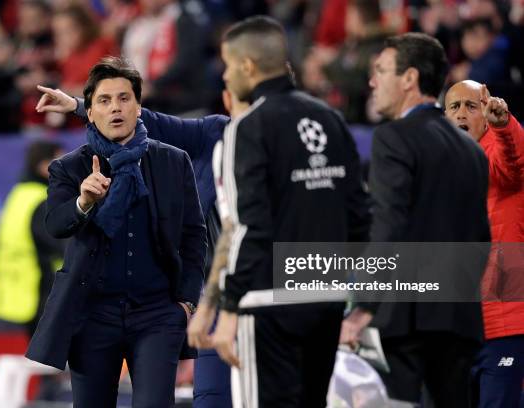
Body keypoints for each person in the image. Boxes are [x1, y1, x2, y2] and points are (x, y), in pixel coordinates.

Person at [33, 84, 245, 406]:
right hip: (219, 294)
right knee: (212, 400)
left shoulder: (301, 153)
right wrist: (78, 105)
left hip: (275, 292)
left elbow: (331, 221)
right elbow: (142, 119)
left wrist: (350, 308)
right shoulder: (217, 132)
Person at [201, 16, 370, 407]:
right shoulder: (330, 119)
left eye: (228, 65)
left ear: (247, 66)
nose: (226, 75)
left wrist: (227, 308)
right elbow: (359, 216)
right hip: (326, 296)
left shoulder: (248, 128)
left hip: (266, 302)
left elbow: (248, 225)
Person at [339, 33, 491, 407]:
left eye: (381, 70)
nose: (373, 81)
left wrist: (364, 307)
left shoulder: (392, 137)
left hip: (404, 322)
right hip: (459, 320)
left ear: (408, 78)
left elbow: (389, 225)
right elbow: (480, 239)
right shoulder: (471, 149)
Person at [444, 80, 524, 408]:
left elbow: (514, 163)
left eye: (471, 106)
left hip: (503, 324)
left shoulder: (497, 154)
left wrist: (503, 126)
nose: (462, 113)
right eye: (455, 107)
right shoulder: (439, 165)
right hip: (454, 326)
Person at [0, 140, 65, 338]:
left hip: (22, 289)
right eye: (61, 162)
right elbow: (60, 244)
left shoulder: (19, 195)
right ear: (44, 166)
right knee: (52, 360)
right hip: (42, 291)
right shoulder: (42, 200)